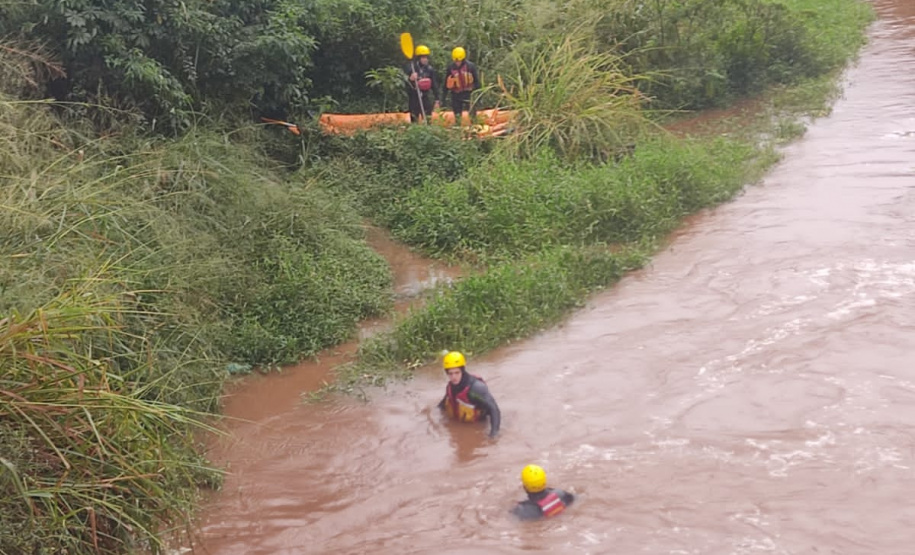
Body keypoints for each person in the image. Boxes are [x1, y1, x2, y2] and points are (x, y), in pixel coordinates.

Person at [437, 351, 501, 438]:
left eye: (457, 373)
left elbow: (494, 409)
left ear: (463, 371)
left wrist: (494, 434)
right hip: (459, 426)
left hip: (478, 426)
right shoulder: (451, 386)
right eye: (450, 374)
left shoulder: (476, 388)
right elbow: (444, 403)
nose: (453, 377)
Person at [442, 47, 480, 126]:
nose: (457, 63)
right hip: (456, 94)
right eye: (456, 61)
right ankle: (458, 128)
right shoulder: (450, 68)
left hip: (468, 93)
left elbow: (476, 81)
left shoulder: (470, 66)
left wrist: (477, 95)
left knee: (472, 113)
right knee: (457, 114)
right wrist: (443, 98)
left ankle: (475, 126)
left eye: (459, 61)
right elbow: (446, 84)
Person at [403, 44, 440, 123]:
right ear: (418, 58)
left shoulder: (429, 69)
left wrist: (437, 99)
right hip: (414, 97)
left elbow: (434, 85)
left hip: (425, 96)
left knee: (428, 117)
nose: (425, 59)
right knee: (414, 117)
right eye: (423, 57)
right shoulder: (411, 68)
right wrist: (410, 79)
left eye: (426, 57)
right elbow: (405, 84)